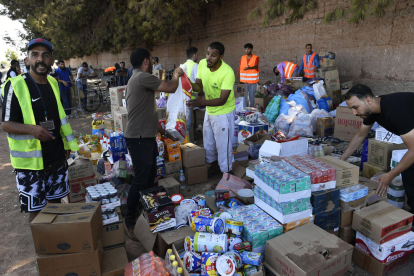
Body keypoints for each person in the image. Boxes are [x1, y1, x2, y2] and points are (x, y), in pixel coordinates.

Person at [1, 38, 79, 221]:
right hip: (30, 165)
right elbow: (5, 124)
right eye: (34, 55)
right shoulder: (15, 85)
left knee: (56, 205)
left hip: (56, 156)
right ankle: (43, 249)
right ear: (27, 60)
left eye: (45, 55)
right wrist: (33, 130)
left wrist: (66, 143)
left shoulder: (53, 83)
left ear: (51, 60)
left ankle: (57, 245)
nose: (40, 59)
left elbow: (59, 116)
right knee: (36, 213)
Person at [124, 48, 184, 239]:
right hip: (139, 138)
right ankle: (129, 220)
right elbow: (171, 87)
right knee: (142, 179)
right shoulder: (142, 77)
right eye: (151, 60)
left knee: (150, 178)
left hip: (144, 137)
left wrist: (163, 131)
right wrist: (175, 74)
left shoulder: (137, 79)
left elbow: (145, 113)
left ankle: (149, 212)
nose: (152, 62)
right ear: (146, 62)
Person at [340, 85, 414, 224]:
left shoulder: (395, 110)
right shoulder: (372, 111)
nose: (354, 113)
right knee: (409, 172)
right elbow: (360, 135)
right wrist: (341, 161)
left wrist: (389, 175)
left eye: (355, 107)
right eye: (351, 109)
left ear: (368, 100)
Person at [187, 42, 236, 174]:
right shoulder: (202, 64)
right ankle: (214, 166)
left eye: (213, 55)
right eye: (208, 53)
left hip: (223, 112)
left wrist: (201, 102)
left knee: (223, 144)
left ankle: (226, 173)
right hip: (210, 110)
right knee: (209, 142)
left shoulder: (227, 72)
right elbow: (198, 86)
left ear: (221, 56)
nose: (209, 57)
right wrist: (187, 82)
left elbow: (222, 100)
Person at [236, 43, 260, 107]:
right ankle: (244, 110)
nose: (247, 50)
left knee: (252, 98)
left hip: (252, 82)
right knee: (244, 97)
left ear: (251, 49)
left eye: (248, 49)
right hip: (243, 82)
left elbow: (255, 66)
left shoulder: (256, 58)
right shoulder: (242, 58)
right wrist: (235, 79)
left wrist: (249, 68)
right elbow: (239, 69)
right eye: (245, 49)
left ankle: (251, 110)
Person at [183, 47, 199, 138]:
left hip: (185, 95)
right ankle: (188, 143)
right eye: (197, 54)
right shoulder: (195, 65)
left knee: (187, 120)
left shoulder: (183, 65)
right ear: (194, 55)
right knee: (189, 122)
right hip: (193, 96)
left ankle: (187, 140)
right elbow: (198, 82)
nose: (198, 56)